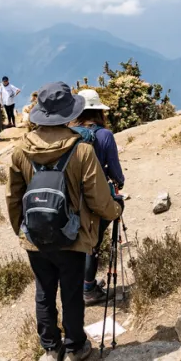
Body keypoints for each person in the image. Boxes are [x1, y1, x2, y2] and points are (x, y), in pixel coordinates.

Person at [6, 83, 122, 361]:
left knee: (44, 291)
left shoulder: (21, 150)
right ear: (68, 115)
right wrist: (115, 209)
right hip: (71, 234)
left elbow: (12, 196)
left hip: (34, 236)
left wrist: (21, 228)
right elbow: (97, 197)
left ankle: (50, 349)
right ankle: (74, 348)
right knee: (71, 292)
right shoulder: (81, 150)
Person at [70, 89, 126, 306]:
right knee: (92, 242)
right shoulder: (104, 135)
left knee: (75, 241)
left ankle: (78, 284)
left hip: (70, 196)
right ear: (98, 112)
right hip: (95, 196)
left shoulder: (68, 133)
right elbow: (115, 171)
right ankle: (88, 288)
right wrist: (119, 182)